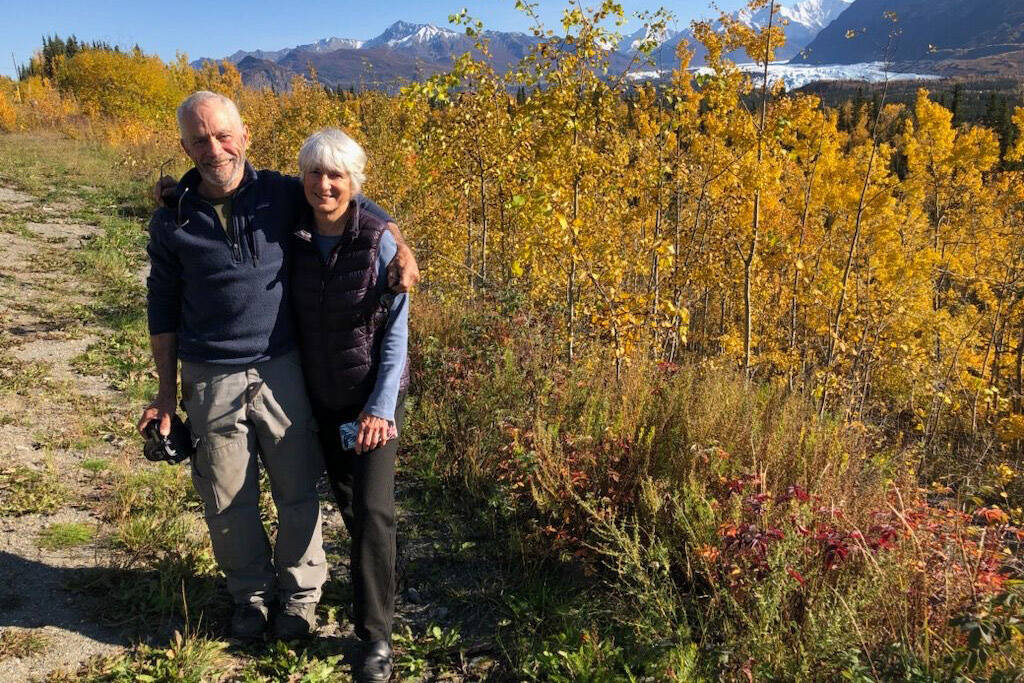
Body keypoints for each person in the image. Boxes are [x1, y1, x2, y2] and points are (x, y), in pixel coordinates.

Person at [137, 91, 417, 642]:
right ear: (185, 146)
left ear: (244, 137)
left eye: (222, 135)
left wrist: (400, 245)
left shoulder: (282, 194)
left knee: (296, 490)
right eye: (199, 139)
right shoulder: (170, 219)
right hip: (209, 372)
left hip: (282, 368)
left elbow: (351, 201)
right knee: (227, 497)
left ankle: (300, 599)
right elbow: (162, 306)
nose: (213, 148)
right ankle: (251, 597)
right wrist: (166, 396)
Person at [289, 128, 407, 683]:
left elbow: (396, 335)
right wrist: (178, 193)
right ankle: (375, 586)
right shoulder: (292, 229)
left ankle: (375, 639)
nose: (324, 184)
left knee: (374, 512)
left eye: (337, 175)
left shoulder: (379, 239)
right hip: (320, 397)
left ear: (355, 182)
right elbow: (240, 184)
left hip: (371, 401)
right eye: (315, 173)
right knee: (353, 510)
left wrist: (380, 409)